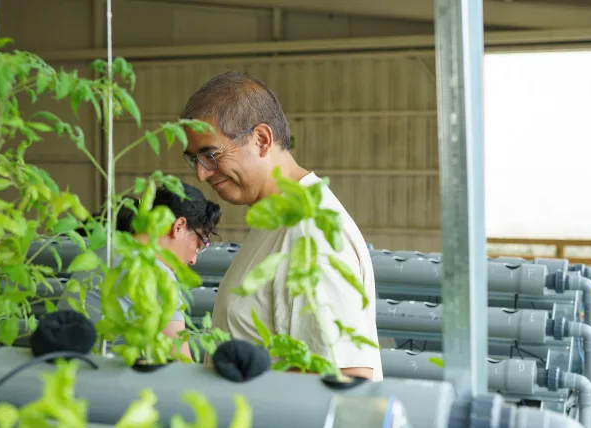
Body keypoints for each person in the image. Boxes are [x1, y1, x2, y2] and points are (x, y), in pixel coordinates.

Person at [179, 71, 383, 381]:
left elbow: (347, 380)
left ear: (261, 139)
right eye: (193, 159)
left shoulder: (308, 230)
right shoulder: (279, 220)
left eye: (210, 155)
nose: (201, 175)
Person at [59, 182, 221, 361]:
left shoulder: (102, 253)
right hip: (101, 383)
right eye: (199, 245)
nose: (193, 260)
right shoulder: (156, 274)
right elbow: (181, 364)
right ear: (179, 227)